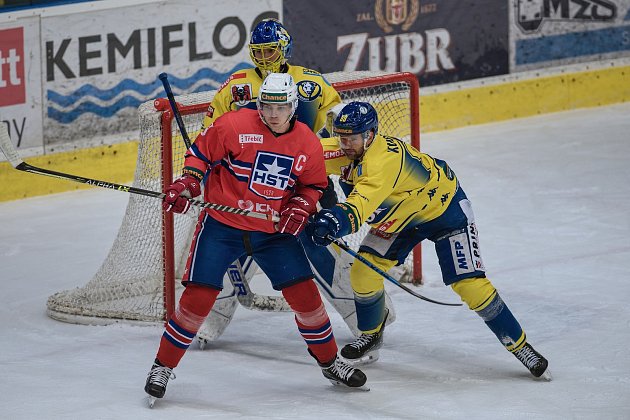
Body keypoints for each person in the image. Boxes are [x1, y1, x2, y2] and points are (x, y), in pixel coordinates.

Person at [144, 74, 368, 407]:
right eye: (267, 106)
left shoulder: (307, 142)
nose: (273, 114)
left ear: (293, 106)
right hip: (222, 227)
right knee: (198, 299)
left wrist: (301, 205)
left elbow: (313, 186)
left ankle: (330, 362)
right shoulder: (233, 125)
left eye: (281, 107)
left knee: (306, 298)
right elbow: (199, 157)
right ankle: (162, 367)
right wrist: (188, 185)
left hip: (272, 235)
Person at [307, 101, 552, 380]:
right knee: (363, 273)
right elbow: (304, 154)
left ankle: (520, 346)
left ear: (371, 135)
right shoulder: (348, 148)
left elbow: (359, 207)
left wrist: (333, 221)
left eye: (351, 138)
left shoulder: (382, 161)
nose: (345, 144)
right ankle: (371, 334)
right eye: (341, 137)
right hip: (402, 219)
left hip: (445, 211)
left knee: (470, 285)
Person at [195, 17, 395, 342]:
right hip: (250, 186)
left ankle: (368, 317)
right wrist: (203, 167)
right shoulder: (236, 85)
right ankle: (210, 320)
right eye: (257, 52)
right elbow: (211, 132)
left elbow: (339, 120)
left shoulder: (310, 82)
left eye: (270, 50)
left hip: (305, 181)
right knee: (234, 251)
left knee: (322, 255)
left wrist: (349, 152)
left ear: (284, 47)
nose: (263, 59)